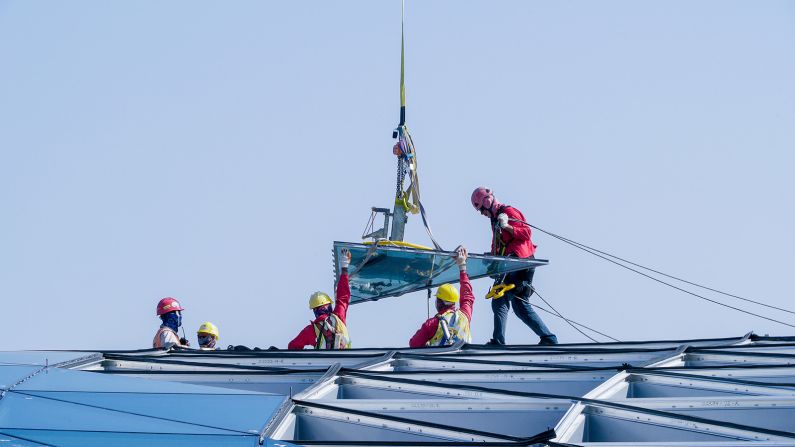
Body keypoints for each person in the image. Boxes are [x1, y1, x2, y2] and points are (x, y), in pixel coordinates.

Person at [471, 187, 558, 345]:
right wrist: (492, 260)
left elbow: (527, 233)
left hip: (521, 262)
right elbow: (497, 243)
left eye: (481, 210)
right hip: (514, 263)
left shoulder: (509, 212)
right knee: (520, 305)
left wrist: (507, 226)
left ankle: (498, 341)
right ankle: (548, 338)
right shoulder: (496, 219)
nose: (482, 214)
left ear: (487, 202)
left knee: (500, 298)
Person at [288, 248, 352, 350]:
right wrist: (344, 267)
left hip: (324, 364)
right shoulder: (339, 316)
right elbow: (343, 296)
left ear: (315, 311)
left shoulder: (311, 330)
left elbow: (292, 346)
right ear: (329, 306)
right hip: (347, 360)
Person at [409, 246, 473, 347]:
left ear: (440, 302)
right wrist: (462, 267)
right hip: (464, 361)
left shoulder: (432, 323)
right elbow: (467, 295)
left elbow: (414, 344)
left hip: (441, 361)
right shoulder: (464, 316)